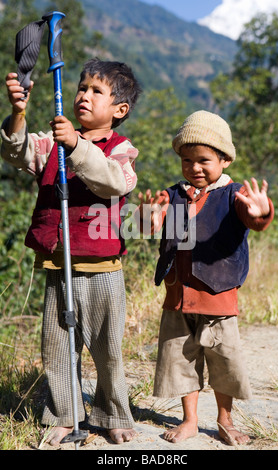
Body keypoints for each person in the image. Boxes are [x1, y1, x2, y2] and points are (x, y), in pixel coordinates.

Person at [1, 58, 142, 446]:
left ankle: (111, 411)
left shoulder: (121, 150)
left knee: (107, 347)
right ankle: (65, 413)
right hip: (57, 264)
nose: (84, 95)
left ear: (119, 110)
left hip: (102, 269)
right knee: (59, 346)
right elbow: (15, 152)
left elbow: (113, 182)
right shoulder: (52, 143)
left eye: (97, 91)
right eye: (82, 87)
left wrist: (77, 145)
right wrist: (18, 114)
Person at [138, 110, 274, 446]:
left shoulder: (234, 195)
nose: (194, 168)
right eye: (187, 160)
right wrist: (148, 219)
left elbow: (253, 218)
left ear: (225, 159)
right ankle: (190, 421)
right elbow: (147, 226)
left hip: (218, 297)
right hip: (178, 297)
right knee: (181, 361)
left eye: (204, 160)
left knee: (223, 362)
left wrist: (262, 212)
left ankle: (225, 420)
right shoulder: (173, 195)